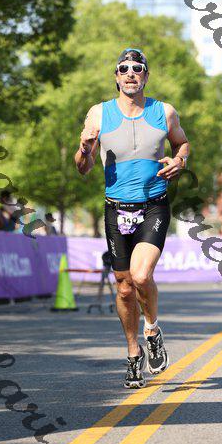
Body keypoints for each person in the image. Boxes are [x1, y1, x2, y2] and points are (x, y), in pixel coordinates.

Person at [74, 47, 190, 389]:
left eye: (137, 68)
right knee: (124, 288)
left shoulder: (164, 111)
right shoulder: (99, 114)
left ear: (146, 76)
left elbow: (182, 143)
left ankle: (152, 329)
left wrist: (180, 160)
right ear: (116, 76)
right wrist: (84, 149)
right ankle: (133, 353)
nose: (130, 74)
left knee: (140, 275)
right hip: (116, 208)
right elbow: (83, 168)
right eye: (123, 68)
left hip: (154, 204)